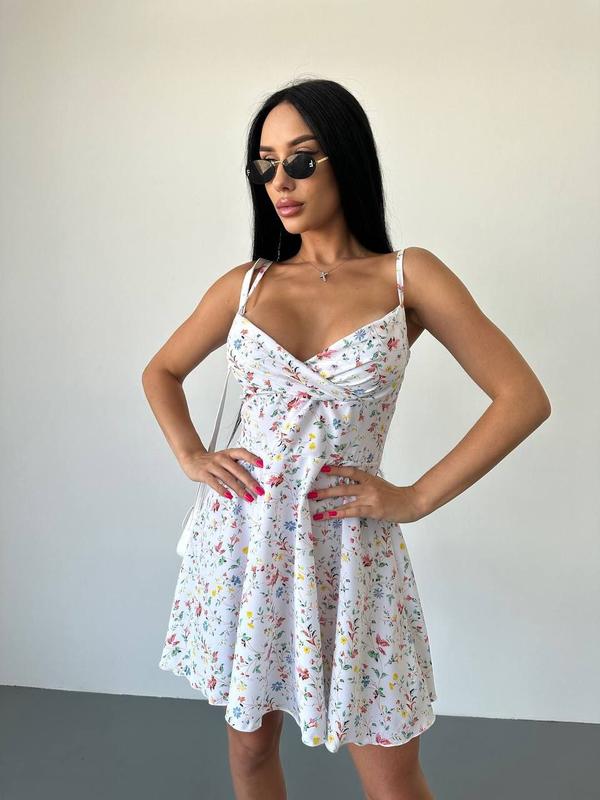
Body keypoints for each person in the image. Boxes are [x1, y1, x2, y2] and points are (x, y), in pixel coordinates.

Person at [142, 78, 551, 800]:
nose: (280, 182)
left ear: (346, 158)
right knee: (250, 752)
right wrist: (192, 455)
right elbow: (162, 371)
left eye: (300, 160)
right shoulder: (247, 285)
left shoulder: (407, 278)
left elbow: (522, 398)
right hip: (247, 542)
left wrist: (415, 497)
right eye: (265, 165)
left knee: (392, 774)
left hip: (351, 547)